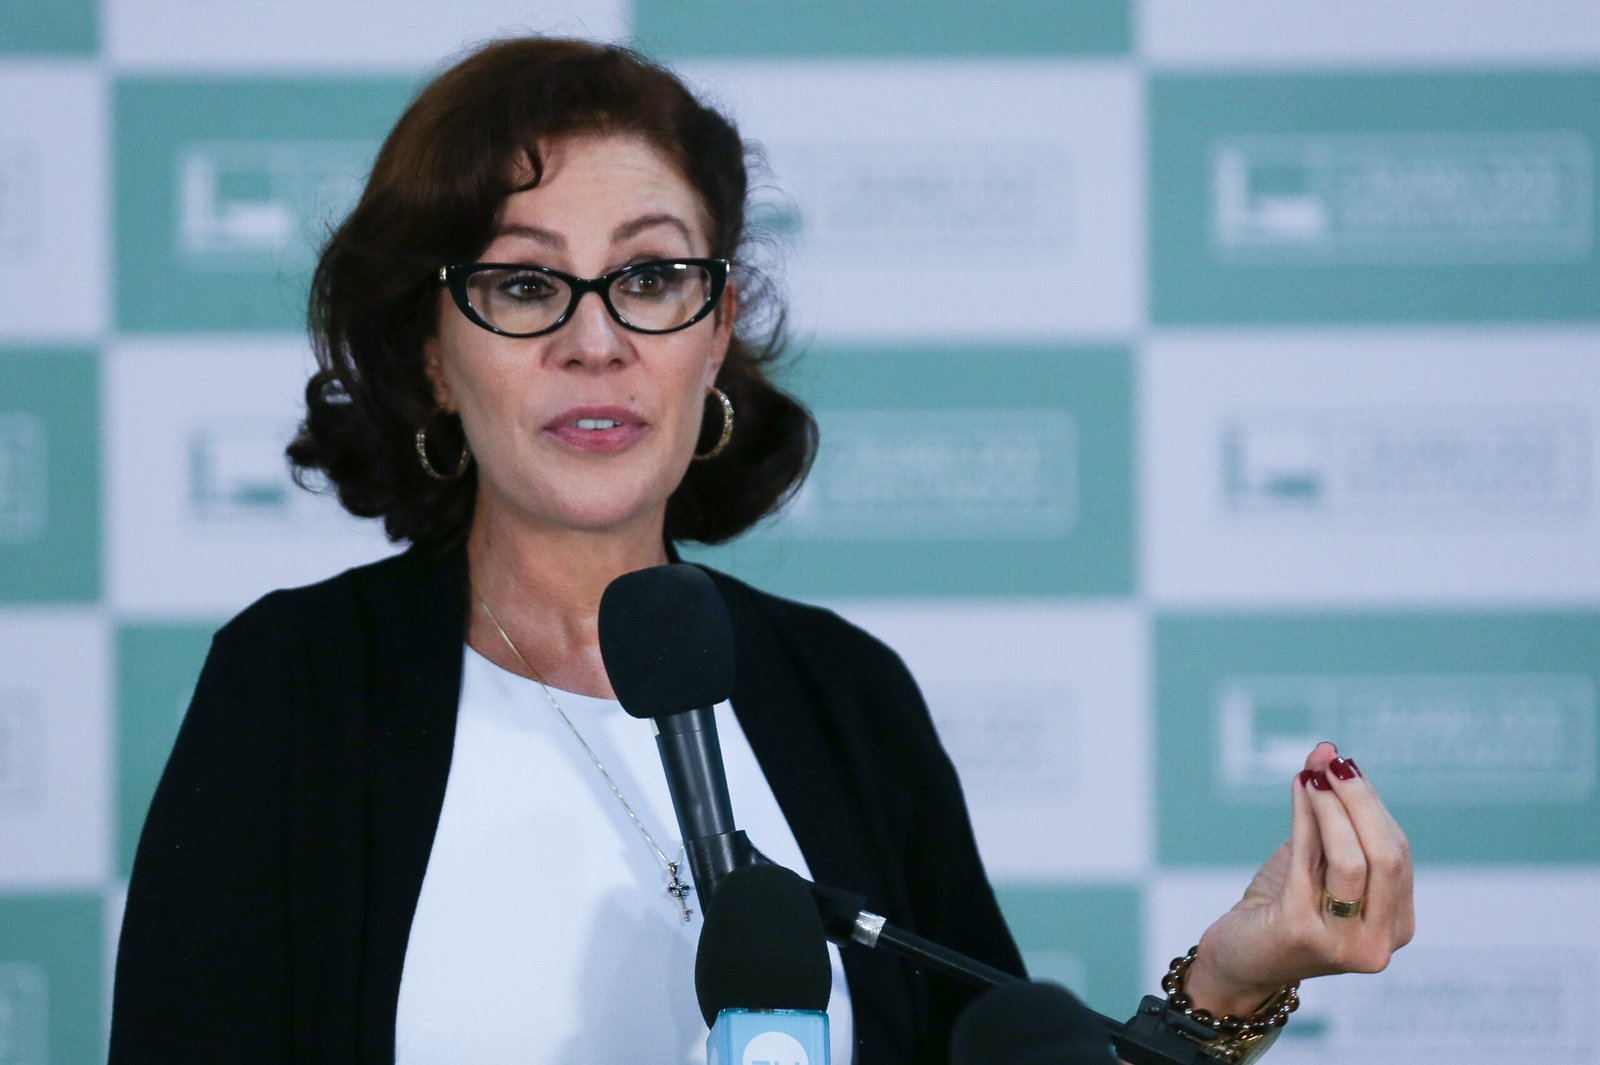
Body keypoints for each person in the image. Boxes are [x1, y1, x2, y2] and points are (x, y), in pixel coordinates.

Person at [109, 36, 1413, 1065]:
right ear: (432, 356)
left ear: (718, 328)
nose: (596, 341)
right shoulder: (297, 687)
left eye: (650, 278)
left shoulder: (844, 695)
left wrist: (1228, 984)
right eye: (523, 284)